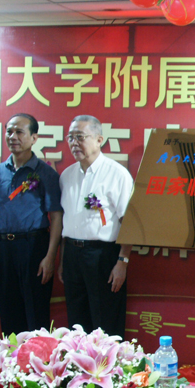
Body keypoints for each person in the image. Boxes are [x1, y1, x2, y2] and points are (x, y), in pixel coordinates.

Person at [0, 114, 63, 335]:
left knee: (36, 313)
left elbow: (56, 217)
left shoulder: (46, 173)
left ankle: (38, 357)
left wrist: (50, 257)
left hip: (34, 247)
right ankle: (12, 356)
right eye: (9, 132)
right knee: (8, 312)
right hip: (4, 248)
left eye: (19, 132)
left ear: (34, 138)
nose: (13, 137)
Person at [59, 115, 133, 337]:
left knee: (106, 321)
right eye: (70, 137)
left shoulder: (117, 174)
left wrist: (122, 261)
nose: (74, 143)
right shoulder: (66, 176)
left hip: (103, 255)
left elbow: (128, 223)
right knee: (76, 323)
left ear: (99, 139)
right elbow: (66, 221)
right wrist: (63, 261)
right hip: (72, 255)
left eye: (80, 137)